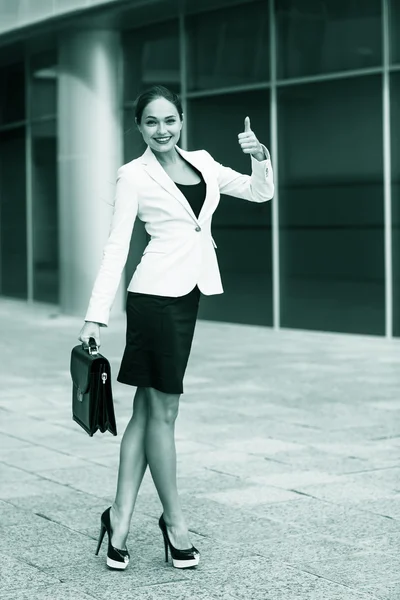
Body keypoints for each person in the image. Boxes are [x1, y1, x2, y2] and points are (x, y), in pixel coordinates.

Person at [78, 85, 274, 571]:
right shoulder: (133, 176)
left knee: (147, 411)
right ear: (139, 127)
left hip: (187, 294)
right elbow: (116, 249)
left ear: (181, 120)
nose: (161, 130)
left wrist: (261, 158)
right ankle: (175, 523)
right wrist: (95, 314)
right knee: (165, 413)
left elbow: (258, 192)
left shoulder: (204, 162)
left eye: (169, 120)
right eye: (151, 122)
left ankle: (119, 517)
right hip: (153, 298)